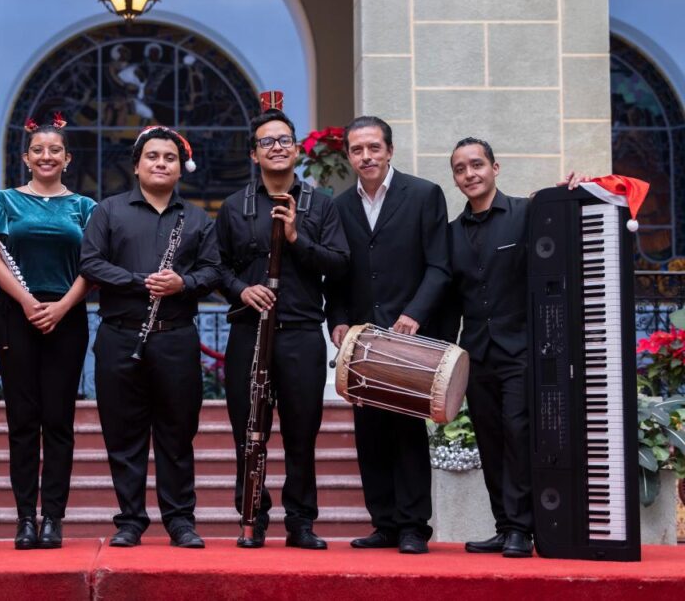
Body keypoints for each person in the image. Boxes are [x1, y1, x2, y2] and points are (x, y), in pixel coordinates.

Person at [215, 99, 349, 549]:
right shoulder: (234, 207)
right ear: (253, 154)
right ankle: (252, 516)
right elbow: (217, 268)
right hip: (249, 331)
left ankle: (301, 522)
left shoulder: (321, 205)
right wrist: (241, 291)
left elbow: (339, 264)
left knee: (301, 432)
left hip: (300, 331)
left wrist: (295, 238)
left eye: (284, 140)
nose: (276, 147)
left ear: (296, 151)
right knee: (247, 430)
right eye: (266, 142)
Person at [80, 127, 221, 548]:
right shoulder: (108, 210)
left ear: (181, 168)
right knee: (123, 433)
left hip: (176, 337)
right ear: (137, 165)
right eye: (153, 156)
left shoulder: (196, 218)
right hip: (120, 336)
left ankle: (180, 520)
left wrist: (183, 283)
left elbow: (214, 271)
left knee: (177, 433)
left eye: (170, 158)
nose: (161, 163)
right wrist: (140, 281)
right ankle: (130, 520)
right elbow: (90, 263)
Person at [448, 137, 586, 558]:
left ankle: (522, 529)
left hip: (521, 350)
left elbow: (564, 237)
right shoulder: (451, 233)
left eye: (477, 165)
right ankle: (504, 525)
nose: (470, 174)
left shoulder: (527, 214)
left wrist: (572, 195)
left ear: (495, 167)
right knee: (489, 440)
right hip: (476, 353)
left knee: (517, 433)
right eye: (460, 169)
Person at [327, 115, 450, 555]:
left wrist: (415, 314)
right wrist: (337, 319)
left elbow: (440, 265)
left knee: (406, 432)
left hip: (408, 338)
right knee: (370, 433)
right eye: (357, 150)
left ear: (389, 150)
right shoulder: (339, 207)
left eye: (374, 148)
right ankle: (384, 523)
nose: (366, 156)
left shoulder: (423, 195)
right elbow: (336, 275)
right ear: (348, 156)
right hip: (361, 339)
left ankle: (414, 526)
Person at [0, 115, 96, 550]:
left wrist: (60, 307)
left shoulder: (85, 208)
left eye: (55, 150)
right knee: (22, 421)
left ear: (67, 158)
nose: (47, 156)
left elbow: (92, 267)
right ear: (26, 157)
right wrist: (27, 303)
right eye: (38, 150)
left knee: (58, 421)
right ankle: (25, 517)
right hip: (15, 314)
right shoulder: (1, 202)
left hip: (67, 315)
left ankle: (53, 519)